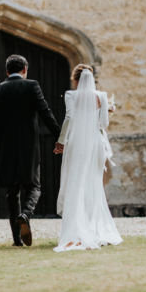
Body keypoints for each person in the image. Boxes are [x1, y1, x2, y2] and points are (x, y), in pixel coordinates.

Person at [0, 54, 61, 247]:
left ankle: (17, 240)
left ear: (7, 71)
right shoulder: (31, 85)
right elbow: (46, 114)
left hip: (5, 146)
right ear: (25, 69)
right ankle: (26, 214)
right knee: (34, 186)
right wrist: (60, 137)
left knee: (12, 193)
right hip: (29, 146)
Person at [54, 65, 123, 252]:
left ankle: (76, 232)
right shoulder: (101, 96)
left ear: (76, 80)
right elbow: (103, 124)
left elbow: (69, 118)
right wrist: (108, 110)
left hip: (77, 143)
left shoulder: (70, 94)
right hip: (96, 144)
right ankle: (94, 229)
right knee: (94, 185)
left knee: (76, 184)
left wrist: (61, 141)